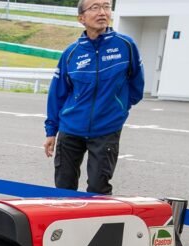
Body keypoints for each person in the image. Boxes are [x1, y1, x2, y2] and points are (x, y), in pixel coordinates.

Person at [44, 0, 144, 195]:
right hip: (71, 128)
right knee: (63, 187)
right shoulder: (71, 53)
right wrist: (51, 131)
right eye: (95, 8)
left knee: (99, 189)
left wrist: (118, 107)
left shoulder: (126, 46)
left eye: (106, 7)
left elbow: (136, 85)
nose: (102, 12)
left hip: (106, 129)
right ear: (81, 18)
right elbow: (58, 93)